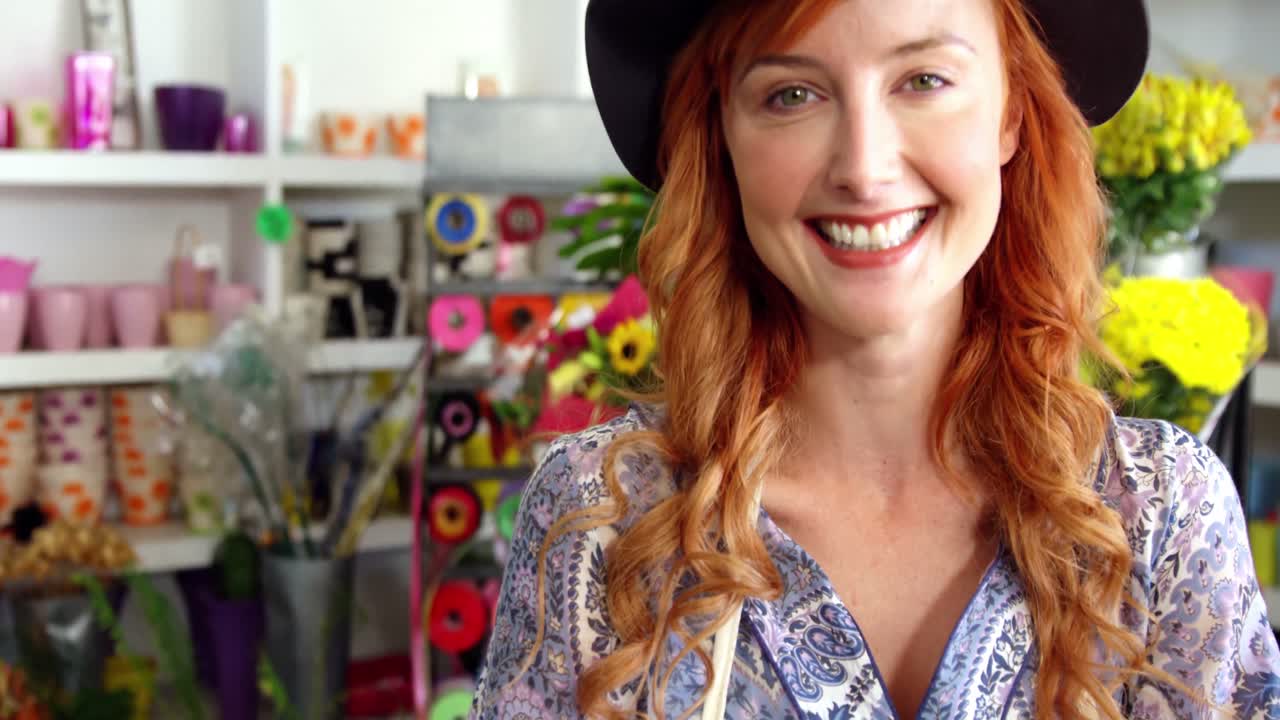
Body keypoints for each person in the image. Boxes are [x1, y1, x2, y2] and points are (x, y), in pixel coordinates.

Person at [470, 0, 1280, 717]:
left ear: (1011, 113)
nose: (864, 167)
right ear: (721, 136)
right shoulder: (603, 525)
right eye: (791, 94)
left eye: (923, 79)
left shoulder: (1162, 520)